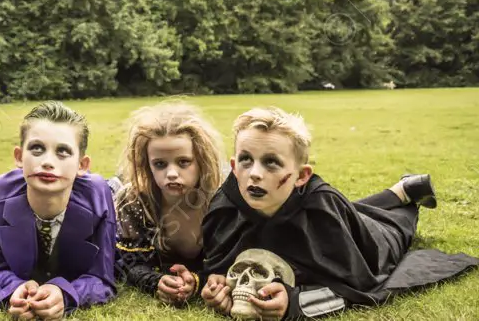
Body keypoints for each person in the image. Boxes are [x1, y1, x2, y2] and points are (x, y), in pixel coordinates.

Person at [201, 106, 479, 319]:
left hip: (368, 236)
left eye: (271, 162)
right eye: (246, 161)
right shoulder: (224, 205)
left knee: (391, 225)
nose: (255, 175)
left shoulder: (323, 210)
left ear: (301, 176)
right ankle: (400, 188)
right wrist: (216, 283)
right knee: (351, 210)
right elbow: (216, 262)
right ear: (234, 166)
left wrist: (296, 302)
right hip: (332, 211)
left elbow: (359, 284)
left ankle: (408, 196)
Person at [0, 102, 116, 319]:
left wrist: (66, 294)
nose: (48, 162)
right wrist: (13, 289)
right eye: (37, 148)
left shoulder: (98, 196)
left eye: (63, 151)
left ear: (82, 165)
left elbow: (103, 277)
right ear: (19, 157)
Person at [112, 100, 225, 307]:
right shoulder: (134, 202)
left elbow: (227, 262)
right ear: (147, 165)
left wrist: (197, 281)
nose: (172, 174)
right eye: (160, 164)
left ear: (202, 160)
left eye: (183, 162)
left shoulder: (222, 201)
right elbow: (127, 264)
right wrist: (155, 282)